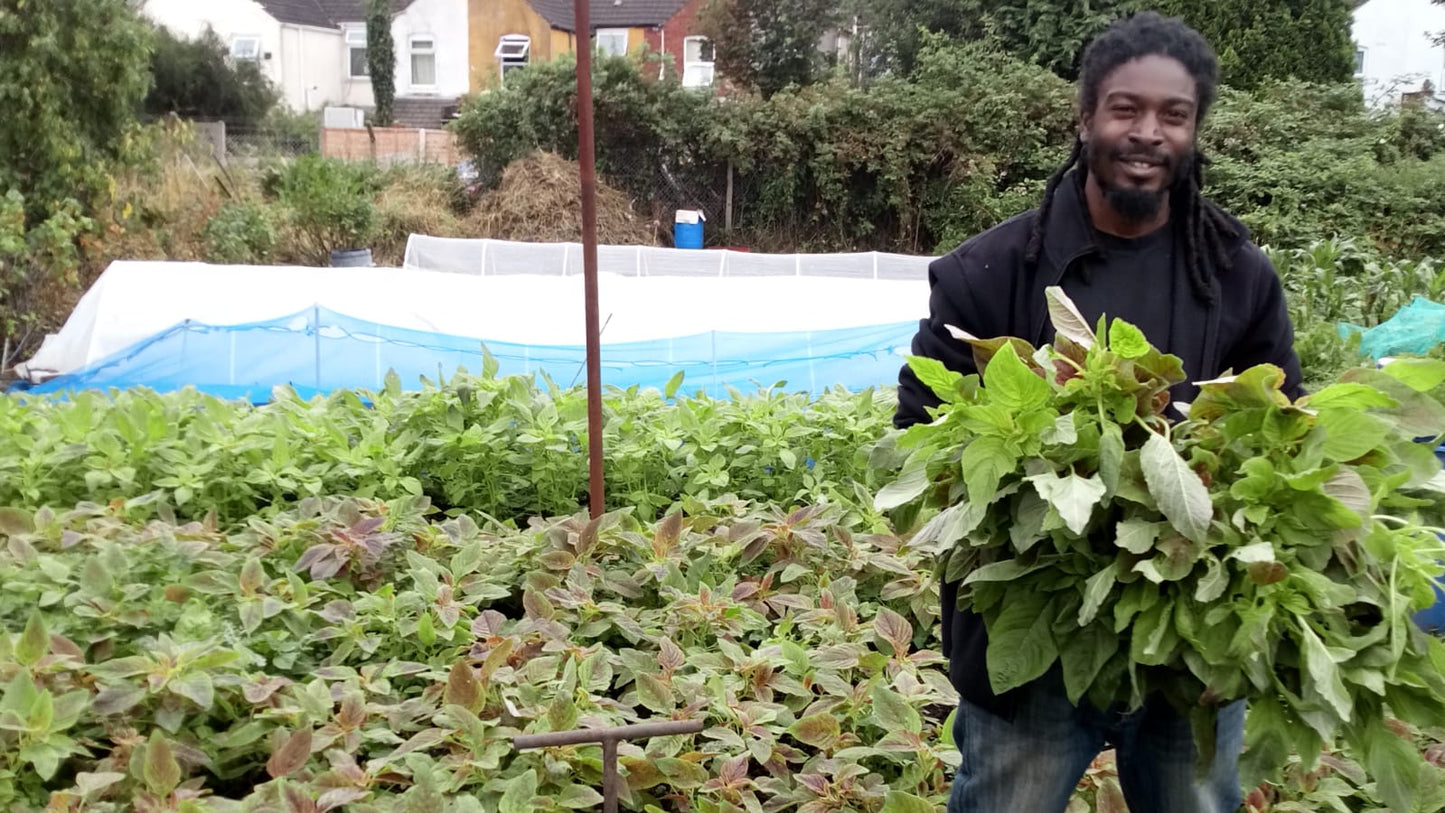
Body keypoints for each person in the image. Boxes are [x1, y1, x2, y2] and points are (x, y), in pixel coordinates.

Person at [893, 12, 1304, 813]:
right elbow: (922, 441)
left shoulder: (1236, 273)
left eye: (1171, 115)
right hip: (1032, 637)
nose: (1146, 131)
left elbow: (1282, 421)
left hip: (1189, 640)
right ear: (1084, 118)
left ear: (1193, 130)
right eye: (1124, 108)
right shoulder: (986, 272)